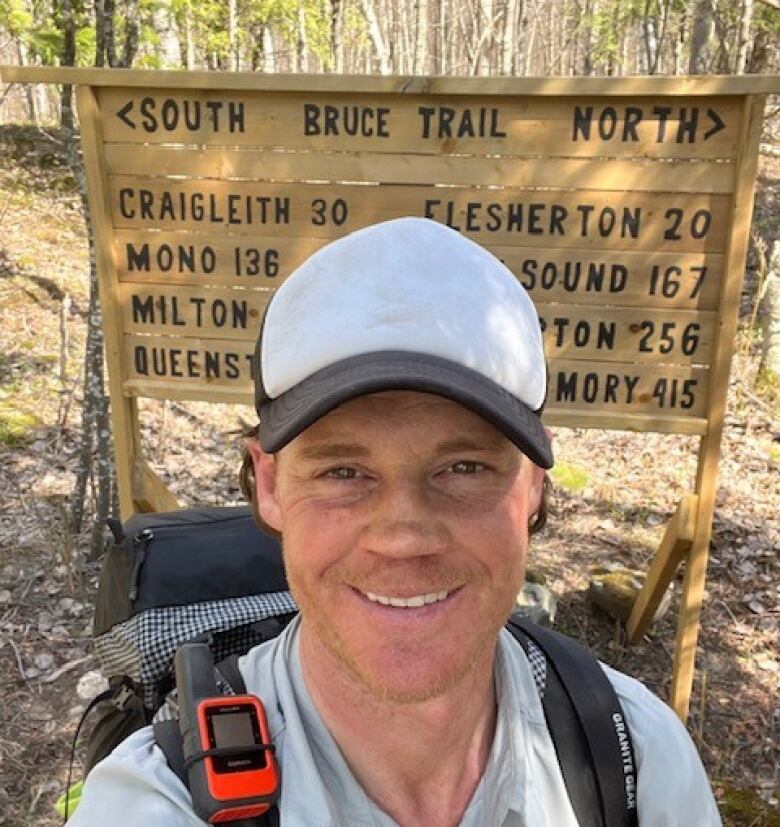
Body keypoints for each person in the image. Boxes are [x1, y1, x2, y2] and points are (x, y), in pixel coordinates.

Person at [70, 217, 722, 826]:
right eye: (343, 471)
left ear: (532, 484)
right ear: (268, 484)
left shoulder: (635, 757)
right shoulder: (154, 801)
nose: (404, 536)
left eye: (464, 467)